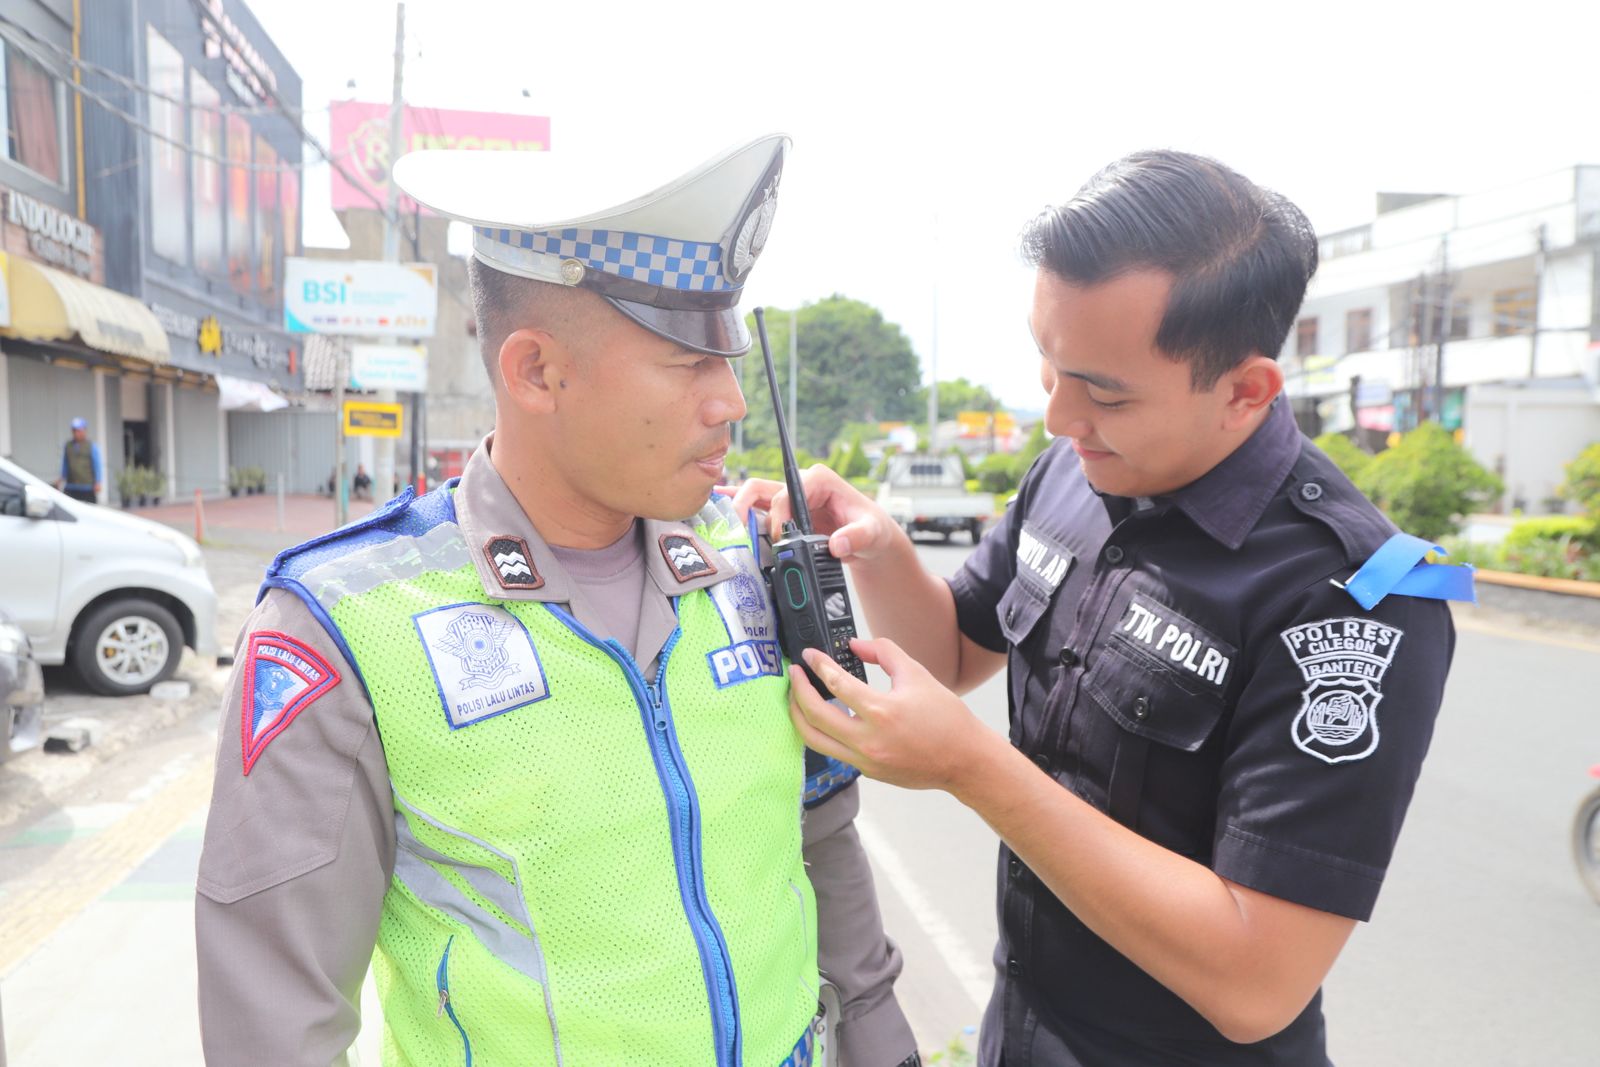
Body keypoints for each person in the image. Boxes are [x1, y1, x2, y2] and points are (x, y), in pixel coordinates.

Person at [734, 150, 1474, 1065]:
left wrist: (972, 767)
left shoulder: (1351, 597)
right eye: (1048, 365)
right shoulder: (1075, 468)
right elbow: (957, 650)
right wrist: (880, 547)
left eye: (1106, 393)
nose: (1058, 416)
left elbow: (1257, 980)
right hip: (1021, 1030)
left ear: (1245, 391)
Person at [195, 134, 914, 1067]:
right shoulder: (346, 627)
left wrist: (876, 1023)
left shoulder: (751, 562)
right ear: (535, 370)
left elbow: (819, 823)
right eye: (687, 362)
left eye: (730, 358)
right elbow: (275, 1017)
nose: (731, 401)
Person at [56, 416, 102, 504]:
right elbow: (65, 464)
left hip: (87, 487)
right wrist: (61, 478)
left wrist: (98, 482)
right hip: (71, 487)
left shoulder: (92, 446)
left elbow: (97, 465)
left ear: (84, 431)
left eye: (78, 430)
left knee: (88, 509)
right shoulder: (68, 445)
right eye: (74, 431)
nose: (76, 433)